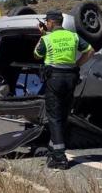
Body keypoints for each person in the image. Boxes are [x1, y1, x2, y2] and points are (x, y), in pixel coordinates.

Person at [34, 10, 94, 169]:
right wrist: (77, 64)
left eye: (47, 22)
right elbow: (90, 51)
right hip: (71, 78)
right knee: (63, 115)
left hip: (55, 79)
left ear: (52, 23)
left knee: (54, 117)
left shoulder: (47, 38)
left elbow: (37, 54)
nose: (46, 24)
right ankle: (54, 150)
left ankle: (60, 158)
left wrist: (42, 35)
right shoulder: (73, 36)